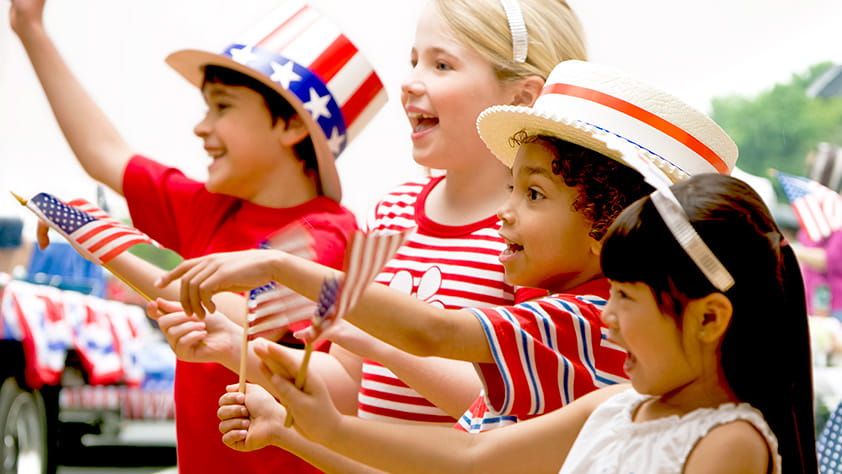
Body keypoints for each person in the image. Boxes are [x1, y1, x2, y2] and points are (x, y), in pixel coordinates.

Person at [155, 58, 739, 434]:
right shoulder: (567, 309)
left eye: (533, 193)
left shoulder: (580, 318)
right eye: (513, 187)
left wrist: (297, 279)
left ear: (610, 227)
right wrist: (246, 356)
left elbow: (434, 337)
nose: (412, 82)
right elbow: (459, 455)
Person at [155, 0, 592, 438]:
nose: (410, 82)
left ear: (522, 98)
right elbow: (350, 390)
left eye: (442, 65)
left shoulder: (530, 236)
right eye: (414, 61)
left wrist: (381, 341)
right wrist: (236, 347)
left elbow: (525, 411)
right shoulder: (392, 213)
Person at [220, 172, 817, 474]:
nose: (606, 321)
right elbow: (470, 459)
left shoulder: (729, 442)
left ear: (709, 317)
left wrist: (285, 270)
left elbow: (437, 340)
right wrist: (309, 427)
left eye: (626, 299)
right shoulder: (614, 405)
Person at [9, 0, 387, 472]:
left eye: (221, 107)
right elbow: (105, 153)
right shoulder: (209, 207)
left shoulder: (331, 233)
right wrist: (30, 29)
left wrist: (96, 233)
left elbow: (232, 308)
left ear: (291, 124)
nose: (200, 126)